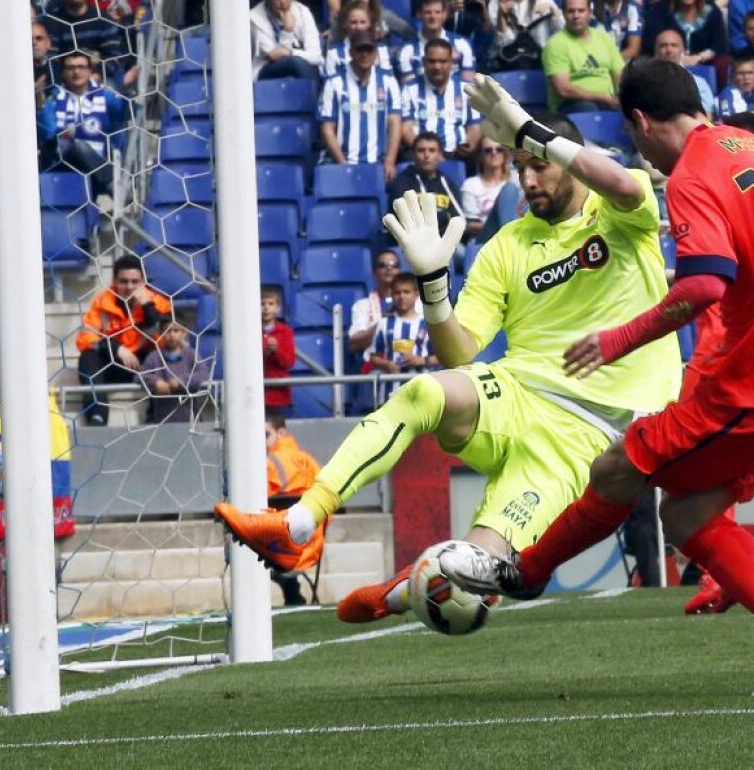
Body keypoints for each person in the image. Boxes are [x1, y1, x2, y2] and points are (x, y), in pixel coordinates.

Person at [441, 58, 754, 698]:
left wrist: (616, 339)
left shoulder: (692, 173)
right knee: (689, 513)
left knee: (618, 469)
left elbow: (702, 283)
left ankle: (523, 572)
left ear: (639, 122)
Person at [218, 104, 681, 628]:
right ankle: (299, 523)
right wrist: (433, 281)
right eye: (517, 167)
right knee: (424, 392)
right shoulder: (507, 245)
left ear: (569, 159)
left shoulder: (623, 207)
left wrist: (533, 129)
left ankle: (404, 589)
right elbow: (460, 352)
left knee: (478, 564)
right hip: (520, 391)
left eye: (538, 165)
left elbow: (621, 184)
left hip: (590, 433)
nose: (526, 179)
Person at [75, 254, 173, 426]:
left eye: (135, 282)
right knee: (88, 357)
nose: (129, 287)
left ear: (143, 282)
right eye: (123, 281)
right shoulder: (102, 302)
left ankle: (156, 417)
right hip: (113, 364)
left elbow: (168, 341)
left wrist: (148, 308)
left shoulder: (160, 303)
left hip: (145, 367)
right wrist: (116, 348)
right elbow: (84, 338)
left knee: (164, 356)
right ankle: (97, 417)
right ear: (114, 281)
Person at [38, 51, 129, 199]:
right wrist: (41, 105)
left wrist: (124, 91)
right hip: (63, 160)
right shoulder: (54, 99)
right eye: (70, 68)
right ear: (62, 72)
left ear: (90, 70)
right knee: (66, 146)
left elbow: (123, 114)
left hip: (99, 158)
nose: (76, 72)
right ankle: (107, 183)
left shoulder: (105, 96)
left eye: (81, 66)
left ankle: (106, 179)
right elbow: (49, 134)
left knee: (80, 146)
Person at [318, 30, 403, 179]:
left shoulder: (388, 81)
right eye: (359, 50)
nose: (364, 54)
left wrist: (390, 162)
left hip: (378, 162)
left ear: (375, 53)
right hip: (340, 161)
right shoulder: (334, 83)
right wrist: (343, 164)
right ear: (350, 52)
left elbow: (394, 124)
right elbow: (327, 129)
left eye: (369, 50)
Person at [42, 0, 138, 89]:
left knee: (111, 94)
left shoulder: (102, 20)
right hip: (65, 80)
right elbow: (51, 57)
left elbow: (114, 55)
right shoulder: (53, 22)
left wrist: (95, 76)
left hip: (100, 79)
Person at [264, 413, 323, 606]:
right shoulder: (308, 461)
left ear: (281, 433)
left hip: (275, 546)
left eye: (265, 435)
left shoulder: (265, 463)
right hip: (313, 543)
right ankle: (293, 591)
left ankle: (290, 588)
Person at [542, 0, 623, 113]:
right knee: (588, 108)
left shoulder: (604, 37)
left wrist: (622, 97)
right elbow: (563, 89)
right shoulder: (555, 44)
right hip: (571, 104)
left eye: (581, 11)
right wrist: (603, 98)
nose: (576, 16)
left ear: (590, 13)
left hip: (608, 101)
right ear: (563, 14)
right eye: (571, 11)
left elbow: (619, 74)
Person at [400, 39, 481, 159]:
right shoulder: (410, 89)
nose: (437, 66)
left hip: (457, 154)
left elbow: (474, 127)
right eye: (432, 61)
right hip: (422, 156)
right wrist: (429, 152)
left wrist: (471, 144)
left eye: (443, 61)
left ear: (451, 63)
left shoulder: (467, 89)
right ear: (423, 62)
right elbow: (406, 130)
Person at [348, 249, 421, 368]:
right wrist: (384, 323)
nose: (389, 268)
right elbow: (354, 344)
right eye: (382, 265)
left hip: (414, 365)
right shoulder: (363, 305)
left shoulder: (418, 303)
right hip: (377, 370)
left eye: (394, 265)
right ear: (374, 272)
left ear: (399, 270)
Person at [641, 0, 727, 65]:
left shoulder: (712, 11)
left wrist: (699, 57)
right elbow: (650, 45)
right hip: (665, 66)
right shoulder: (659, 10)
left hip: (703, 64)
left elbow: (719, 46)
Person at [387, 132, 465, 237]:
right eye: (421, 150)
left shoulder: (448, 184)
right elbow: (406, 221)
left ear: (440, 155)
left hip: (446, 243)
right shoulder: (400, 183)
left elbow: (459, 220)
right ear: (413, 154)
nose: (426, 155)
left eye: (432, 150)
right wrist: (445, 218)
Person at [249, 0, 323, 81]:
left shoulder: (303, 11)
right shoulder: (256, 17)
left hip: (303, 65)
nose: (283, 1)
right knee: (295, 64)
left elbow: (316, 55)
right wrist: (288, 30)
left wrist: (291, 53)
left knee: (304, 66)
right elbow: (275, 57)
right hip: (266, 70)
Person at [397, 0, 477, 85]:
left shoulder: (462, 44)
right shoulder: (407, 50)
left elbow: (469, 85)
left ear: (444, 14)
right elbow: (409, 88)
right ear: (419, 14)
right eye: (427, 12)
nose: (433, 17)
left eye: (437, 12)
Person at [138, 321, 211, 423]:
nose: (172, 335)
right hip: (162, 421)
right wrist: (155, 382)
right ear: (161, 334)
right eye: (168, 331)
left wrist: (181, 381)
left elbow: (203, 373)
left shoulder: (191, 354)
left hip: (189, 420)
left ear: (183, 333)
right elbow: (140, 375)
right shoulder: (154, 356)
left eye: (176, 330)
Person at [370, 271, 438, 375]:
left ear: (416, 294)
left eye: (406, 292)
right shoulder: (384, 323)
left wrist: (421, 360)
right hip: (391, 386)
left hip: (420, 383)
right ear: (392, 295)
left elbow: (441, 357)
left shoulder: (427, 323)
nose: (402, 296)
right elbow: (373, 357)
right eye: (397, 292)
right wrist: (387, 365)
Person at [461, 138, 520, 238]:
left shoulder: (517, 180)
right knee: (509, 189)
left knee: (510, 188)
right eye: (488, 150)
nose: (494, 153)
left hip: (515, 227)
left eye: (499, 149)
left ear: (504, 153)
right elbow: (471, 224)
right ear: (480, 155)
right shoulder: (471, 185)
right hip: (485, 236)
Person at [323, 0, 396, 77]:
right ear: (345, 24)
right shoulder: (334, 54)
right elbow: (330, 85)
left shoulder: (381, 51)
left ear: (369, 24)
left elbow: (388, 82)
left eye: (362, 22)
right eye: (353, 22)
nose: (358, 27)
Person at [653, 29, 716, 115]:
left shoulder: (698, 83)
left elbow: (707, 117)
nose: (669, 50)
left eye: (674, 45)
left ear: (683, 50)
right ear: (655, 51)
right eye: (663, 46)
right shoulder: (645, 82)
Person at [261, 285, 296, 417]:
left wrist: (277, 350)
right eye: (262, 304)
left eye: (270, 304)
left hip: (279, 397)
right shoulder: (251, 330)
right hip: (256, 395)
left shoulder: (285, 331)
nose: (266, 308)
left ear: (278, 308)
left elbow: (289, 362)